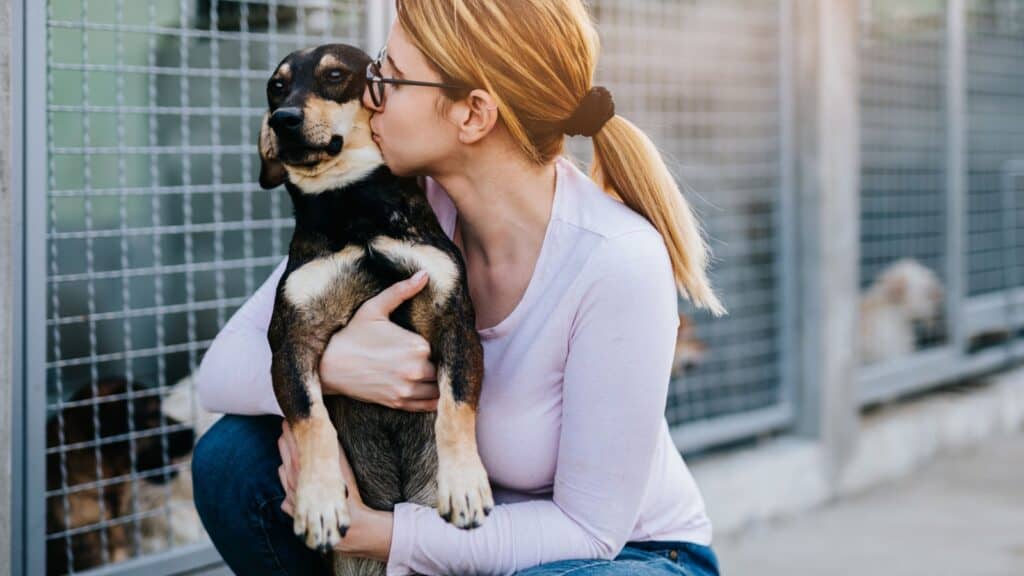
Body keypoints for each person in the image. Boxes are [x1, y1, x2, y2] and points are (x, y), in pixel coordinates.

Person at [192, 1, 727, 574]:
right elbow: (222, 370)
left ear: (472, 114)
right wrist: (333, 365)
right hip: (442, 523)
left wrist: (383, 536)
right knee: (233, 460)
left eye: (388, 77)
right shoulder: (403, 206)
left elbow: (589, 532)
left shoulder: (615, 258)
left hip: (616, 556)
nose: (368, 97)